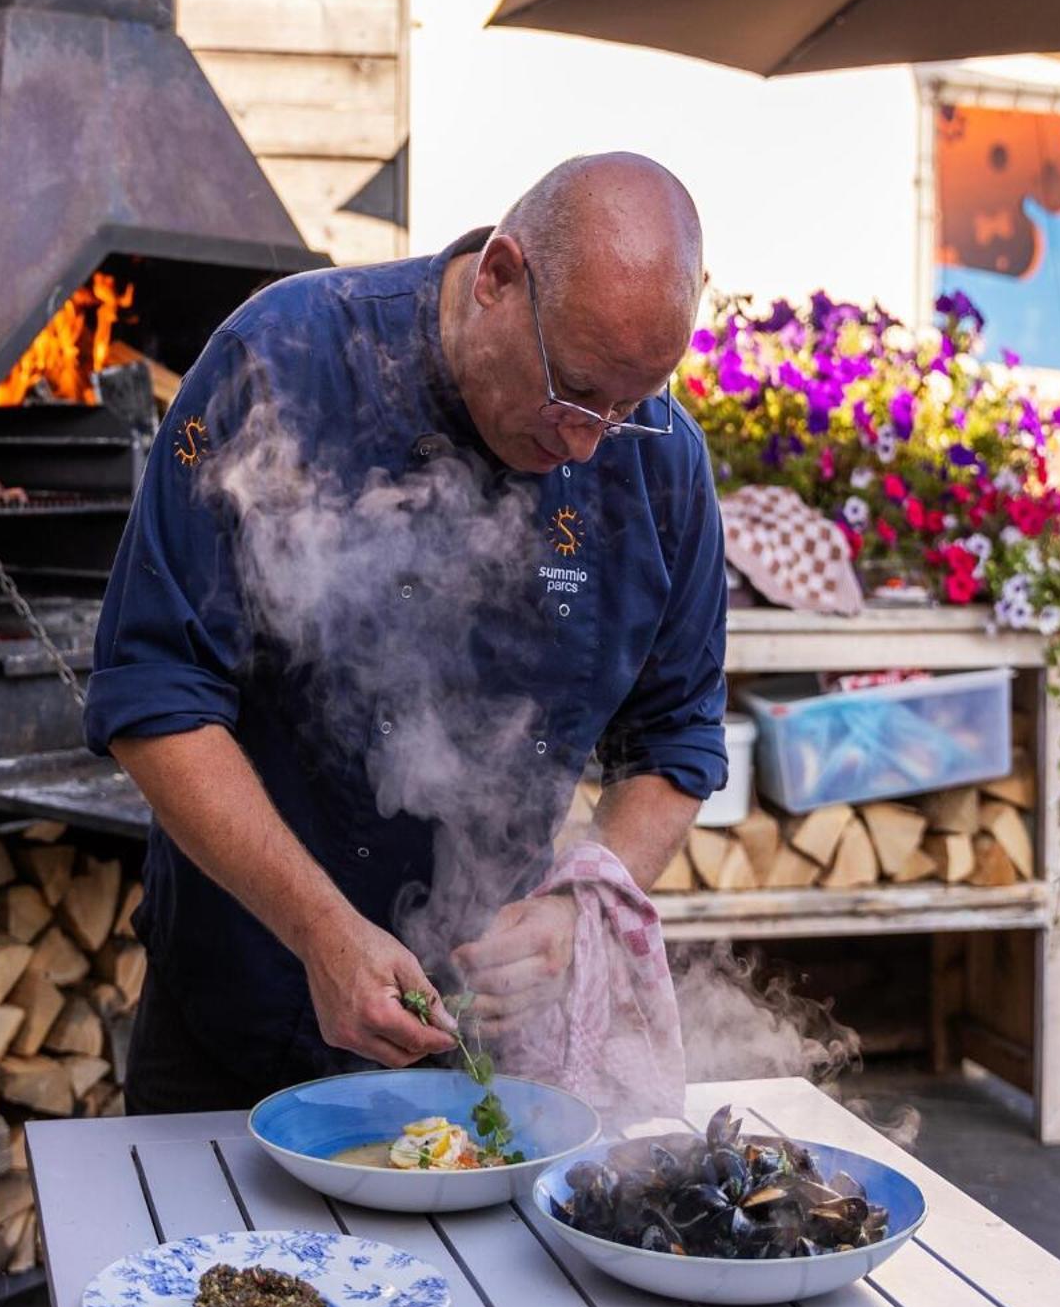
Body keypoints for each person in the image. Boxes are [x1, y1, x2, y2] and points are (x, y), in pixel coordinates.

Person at [85, 153, 728, 1112]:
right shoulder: (282, 361)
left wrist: (577, 905)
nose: (590, 442)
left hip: (485, 1052)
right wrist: (319, 930)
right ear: (500, 277)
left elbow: (676, 740)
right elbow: (153, 692)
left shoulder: (660, 463)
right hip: (239, 1017)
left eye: (627, 409)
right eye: (576, 390)